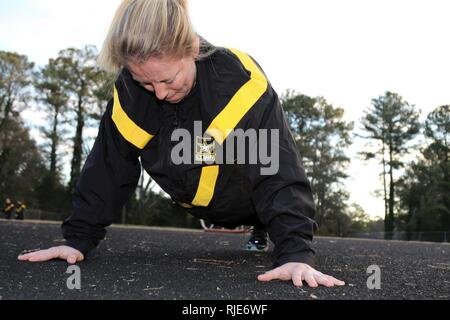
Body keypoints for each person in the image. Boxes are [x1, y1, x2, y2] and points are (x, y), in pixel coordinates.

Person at [18, 0, 345, 288]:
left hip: (242, 186)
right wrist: (77, 239)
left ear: (191, 48)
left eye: (167, 79)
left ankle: (264, 226)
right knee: (180, 144)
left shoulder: (240, 83)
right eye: (145, 81)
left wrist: (296, 252)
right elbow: (108, 166)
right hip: (188, 178)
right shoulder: (130, 95)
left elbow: (277, 167)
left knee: (245, 148)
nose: (158, 92)